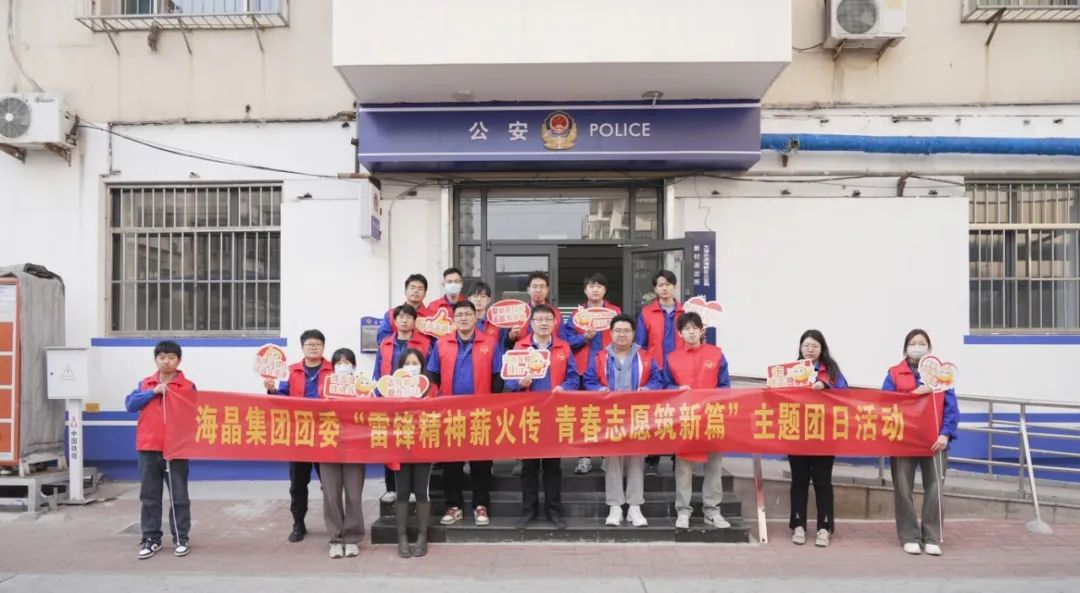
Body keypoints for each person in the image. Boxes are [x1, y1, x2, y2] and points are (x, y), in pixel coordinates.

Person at [881, 329, 959, 556]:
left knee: (935, 488)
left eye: (922, 343)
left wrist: (945, 434)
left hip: (934, 442)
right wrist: (917, 393)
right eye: (913, 343)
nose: (917, 347)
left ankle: (932, 536)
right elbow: (886, 404)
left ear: (929, 348)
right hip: (903, 441)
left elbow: (951, 408)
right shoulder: (894, 373)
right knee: (903, 488)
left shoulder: (943, 375)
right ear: (906, 348)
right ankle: (909, 536)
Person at [425, 300, 503, 528]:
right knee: (452, 463)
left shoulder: (490, 342)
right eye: (459, 315)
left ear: (476, 317)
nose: (464, 318)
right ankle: (453, 506)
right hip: (451, 414)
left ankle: (481, 505)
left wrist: (493, 406)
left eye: (468, 314)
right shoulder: (442, 343)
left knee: (481, 463)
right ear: (453, 318)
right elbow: (432, 376)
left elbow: (498, 378)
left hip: (481, 413)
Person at [583, 313, 664, 527]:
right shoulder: (600, 357)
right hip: (611, 416)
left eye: (626, 331)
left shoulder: (645, 357)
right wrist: (599, 390)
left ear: (633, 334)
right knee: (613, 461)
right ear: (610, 333)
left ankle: (635, 507)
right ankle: (615, 506)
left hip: (638, 416)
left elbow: (657, 379)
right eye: (618, 330)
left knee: (636, 460)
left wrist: (648, 389)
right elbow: (589, 380)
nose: (622, 334)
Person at [505, 304, 580, 530]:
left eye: (548, 319)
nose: (544, 323)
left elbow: (573, 377)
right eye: (539, 319)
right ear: (531, 323)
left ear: (555, 322)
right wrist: (519, 383)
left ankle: (554, 510)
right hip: (528, 414)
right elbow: (508, 382)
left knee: (552, 466)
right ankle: (528, 511)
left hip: (554, 414)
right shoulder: (520, 346)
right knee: (528, 467)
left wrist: (564, 388)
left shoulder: (563, 347)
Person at [124, 340, 197, 560]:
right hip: (148, 448)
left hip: (176, 450)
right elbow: (130, 404)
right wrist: (153, 392)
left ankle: (181, 538)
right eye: (162, 357)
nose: (166, 362)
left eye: (171, 358)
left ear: (179, 361)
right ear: (156, 360)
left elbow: (196, 412)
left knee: (179, 496)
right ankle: (151, 538)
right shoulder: (145, 383)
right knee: (150, 496)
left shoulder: (187, 386)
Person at [263, 329, 333, 543]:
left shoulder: (333, 370)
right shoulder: (291, 371)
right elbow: (282, 398)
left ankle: (335, 524)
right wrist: (272, 390)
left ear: (323, 347)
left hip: (325, 433)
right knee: (298, 484)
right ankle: (298, 523)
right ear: (302, 348)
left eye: (318, 344)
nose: (314, 348)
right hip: (299, 434)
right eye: (310, 344)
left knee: (330, 483)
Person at [664, 312, 732, 530]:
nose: (691, 332)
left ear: (702, 331)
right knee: (684, 468)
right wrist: (677, 389)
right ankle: (683, 511)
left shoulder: (716, 354)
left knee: (714, 467)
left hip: (712, 417)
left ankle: (712, 511)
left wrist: (714, 400)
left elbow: (725, 386)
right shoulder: (672, 358)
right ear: (679, 333)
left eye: (695, 327)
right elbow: (665, 385)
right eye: (686, 328)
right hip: (685, 419)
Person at [788, 329, 848, 548]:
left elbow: (845, 394)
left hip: (824, 434)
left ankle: (824, 526)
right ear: (800, 348)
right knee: (799, 480)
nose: (810, 349)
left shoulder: (831, 371)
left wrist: (827, 386)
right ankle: (798, 525)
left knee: (822, 482)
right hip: (797, 433)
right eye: (806, 345)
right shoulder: (791, 370)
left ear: (822, 348)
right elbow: (778, 396)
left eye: (815, 346)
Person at [373, 303, 432, 503]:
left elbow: (430, 370)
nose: (404, 320)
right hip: (391, 401)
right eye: (400, 317)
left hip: (417, 401)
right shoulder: (385, 344)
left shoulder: (424, 343)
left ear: (415, 321)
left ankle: (416, 489)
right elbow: (378, 371)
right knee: (390, 443)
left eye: (409, 317)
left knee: (415, 442)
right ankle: (391, 487)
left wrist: (427, 395)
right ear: (394, 321)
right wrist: (378, 394)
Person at [565, 273, 622, 475]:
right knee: (584, 415)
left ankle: (607, 456)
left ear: (605, 290)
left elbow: (623, 336)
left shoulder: (615, 312)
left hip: (609, 369)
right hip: (583, 370)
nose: (595, 289)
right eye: (591, 286)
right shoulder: (577, 314)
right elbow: (566, 341)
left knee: (608, 413)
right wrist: (584, 338)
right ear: (585, 290)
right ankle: (584, 457)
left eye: (599, 286)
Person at [636, 269, 684, 477]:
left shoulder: (685, 313)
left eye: (668, 284)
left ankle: (678, 457)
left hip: (681, 370)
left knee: (680, 413)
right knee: (654, 415)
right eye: (660, 285)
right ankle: (652, 459)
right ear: (655, 289)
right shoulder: (647, 313)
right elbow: (641, 345)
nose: (664, 288)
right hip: (655, 371)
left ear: (675, 286)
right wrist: (645, 368)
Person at [321, 348, 366, 559]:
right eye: (338, 363)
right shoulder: (323, 387)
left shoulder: (362, 388)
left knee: (354, 494)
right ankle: (336, 539)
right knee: (331, 494)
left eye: (347, 363)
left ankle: (352, 538)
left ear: (354, 366)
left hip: (355, 446)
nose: (343, 366)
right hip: (329, 444)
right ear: (332, 367)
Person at [391, 347, 436, 558]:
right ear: (400, 367)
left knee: (421, 491)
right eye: (407, 364)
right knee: (401, 492)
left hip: (423, 445)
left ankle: (422, 536)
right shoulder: (391, 388)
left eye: (414, 363)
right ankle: (401, 537)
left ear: (422, 366)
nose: (411, 367)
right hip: (400, 445)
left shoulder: (431, 388)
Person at [377, 274, 429, 344]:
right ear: (405, 291)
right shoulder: (391, 314)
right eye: (412, 288)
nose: (416, 291)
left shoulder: (431, 316)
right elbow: (382, 337)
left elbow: (436, 343)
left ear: (425, 293)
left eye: (420, 289)